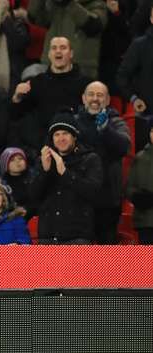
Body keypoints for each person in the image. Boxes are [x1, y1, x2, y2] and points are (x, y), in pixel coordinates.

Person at [30, 111, 103, 244]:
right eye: (56, 135)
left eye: (65, 133)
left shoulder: (90, 159)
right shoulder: (45, 160)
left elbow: (94, 193)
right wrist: (45, 171)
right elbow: (33, 196)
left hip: (77, 237)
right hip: (48, 237)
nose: (61, 138)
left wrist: (65, 173)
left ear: (74, 137)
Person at [75, 81, 131, 244]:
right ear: (83, 98)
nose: (95, 99)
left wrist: (106, 129)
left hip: (108, 201)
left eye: (100, 95)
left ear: (107, 100)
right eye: (91, 94)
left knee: (105, 256)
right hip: (79, 199)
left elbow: (124, 146)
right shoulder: (73, 122)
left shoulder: (116, 122)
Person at [28, 0, 108, 79]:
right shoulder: (53, 4)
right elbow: (34, 17)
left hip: (81, 68)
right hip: (50, 64)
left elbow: (94, 26)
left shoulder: (97, 4)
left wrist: (68, 3)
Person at [116, 3, 153, 153]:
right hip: (147, 116)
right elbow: (122, 77)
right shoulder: (140, 45)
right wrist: (134, 99)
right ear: (151, 18)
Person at [126, 118, 153, 244]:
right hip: (145, 222)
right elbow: (129, 188)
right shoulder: (140, 158)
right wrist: (138, 197)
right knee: (146, 263)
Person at [0, 146, 36, 219]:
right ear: (5, 164)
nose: (18, 162)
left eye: (20, 158)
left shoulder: (34, 179)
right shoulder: (1, 184)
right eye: (12, 160)